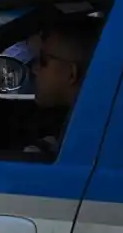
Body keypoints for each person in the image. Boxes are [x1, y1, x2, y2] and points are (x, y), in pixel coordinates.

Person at [24, 14, 103, 155]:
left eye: (43, 61)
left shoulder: (83, 144)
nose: (34, 69)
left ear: (71, 73)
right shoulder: (98, 124)